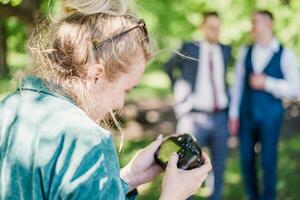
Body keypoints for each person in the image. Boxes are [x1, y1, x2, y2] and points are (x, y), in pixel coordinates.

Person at [0, 0, 212, 199]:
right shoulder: (84, 138)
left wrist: (129, 177)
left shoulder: (11, 106)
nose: (120, 104)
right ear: (96, 74)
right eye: (126, 90)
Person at [229, 10, 300, 200]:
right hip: (246, 115)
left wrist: (267, 83)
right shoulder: (245, 51)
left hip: (271, 117)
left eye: (256, 22)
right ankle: (252, 195)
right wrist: (233, 114)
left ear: (269, 24)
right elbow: (236, 86)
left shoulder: (285, 54)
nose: (252, 27)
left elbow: (296, 88)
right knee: (246, 159)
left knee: (268, 160)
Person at [164, 12, 231, 200]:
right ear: (202, 27)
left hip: (220, 116)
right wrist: (178, 90)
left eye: (218, 27)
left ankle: (215, 197)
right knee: (186, 165)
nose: (215, 31)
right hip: (193, 116)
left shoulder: (226, 50)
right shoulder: (189, 48)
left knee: (219, 166)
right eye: (211, 27)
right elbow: (168, 66)